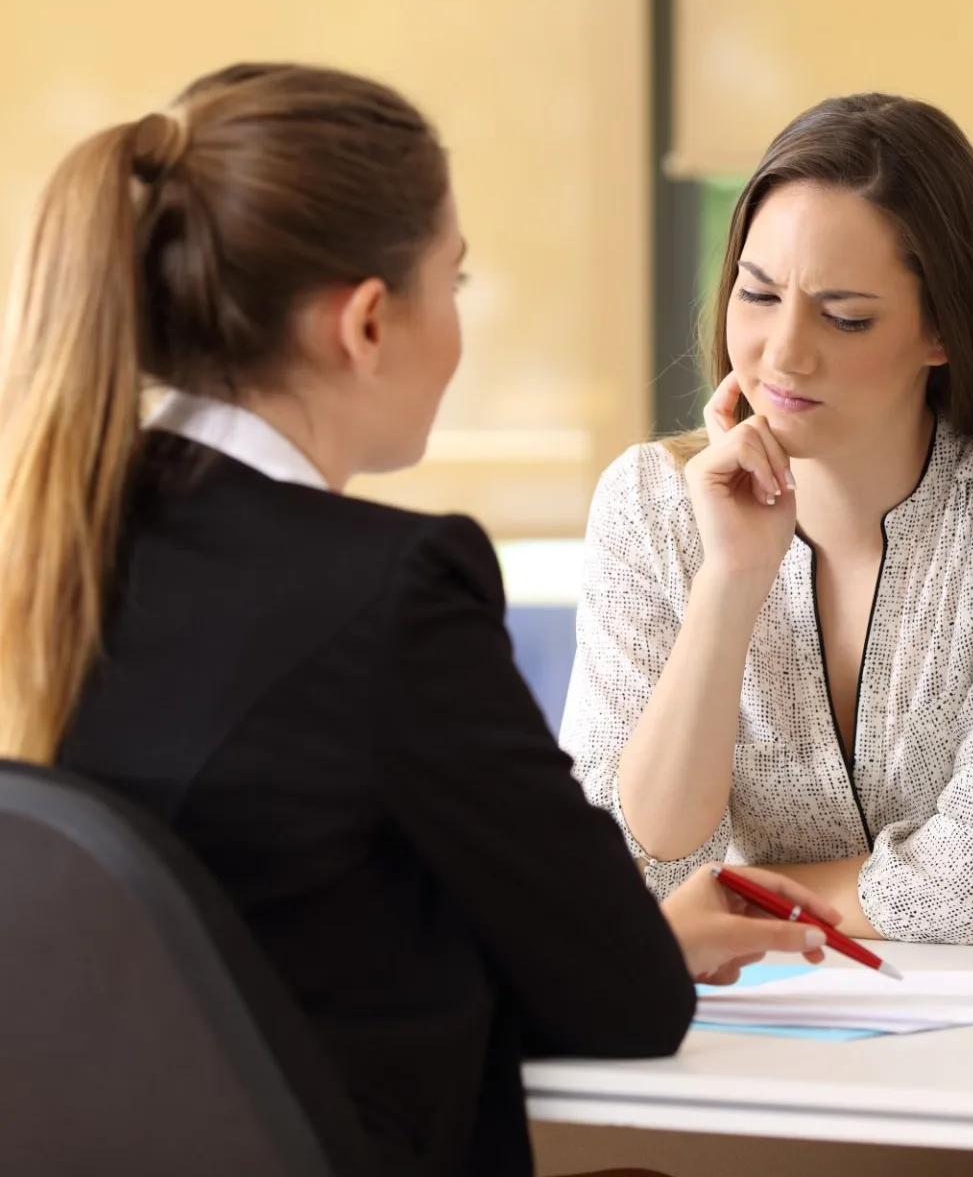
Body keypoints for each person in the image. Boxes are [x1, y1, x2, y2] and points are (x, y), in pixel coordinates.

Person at [0, 62, 837, 1177]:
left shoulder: (48, 541)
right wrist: (636, 951)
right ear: (366, 320)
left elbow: (253, 946)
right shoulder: (387, 591)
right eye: (457, 278)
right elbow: (628, 1001)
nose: (460, 322)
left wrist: (631, 948)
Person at [561, 93, 973, 946]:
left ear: (942, 328)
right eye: (758, 296)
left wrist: (726, 902)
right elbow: (623, 865)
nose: (783, 353)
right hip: (748, 1030)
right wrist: (729, 584)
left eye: (845, 316)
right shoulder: (648, 503)